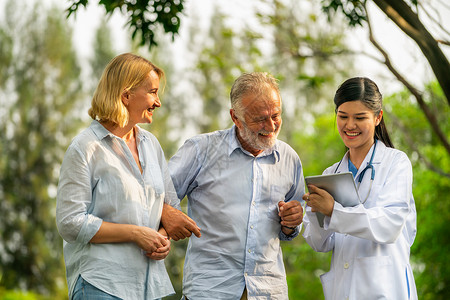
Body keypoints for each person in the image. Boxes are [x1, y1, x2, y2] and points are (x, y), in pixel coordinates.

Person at [56, 53, 196, 299]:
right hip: (101, 285)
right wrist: (135, 233)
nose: (158, 101)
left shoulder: (151, 144)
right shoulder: (86, 148)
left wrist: (160, 238)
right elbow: (70, 222)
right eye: (152, 92)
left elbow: (169, 206)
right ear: (126, 95)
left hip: (147, 287)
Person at [162, 72, 305, 299]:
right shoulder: (201, 150)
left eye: (276, 115)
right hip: (211, 290)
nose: (270, 125)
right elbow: (154, 195)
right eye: (259, 118)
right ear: (235, 117)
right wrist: (165, 210)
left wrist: (292, 221)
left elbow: (290, 230)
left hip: (268, 291)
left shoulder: (289, 158)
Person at [302, 77, 417, 299]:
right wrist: (317, 213)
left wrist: (334, 210)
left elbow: (389, 224)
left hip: (385, 289)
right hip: (343, 290)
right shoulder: (330, 174)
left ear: (377, 117)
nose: (350, 125)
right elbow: (319, 243)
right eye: (343, 116)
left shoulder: (396, 163)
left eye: (360, 117)